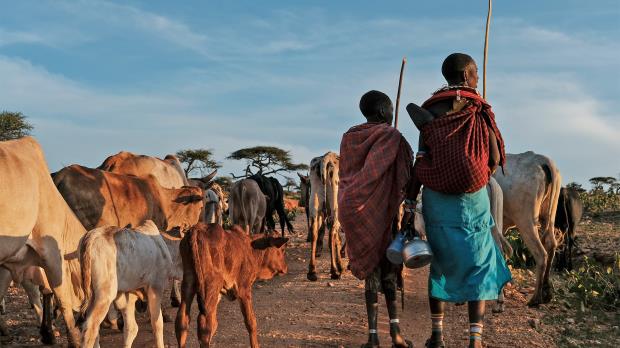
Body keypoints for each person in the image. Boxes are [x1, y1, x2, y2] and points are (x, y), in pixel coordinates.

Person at [405, 53, 512, 348]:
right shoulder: (479, 110)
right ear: (465, 75)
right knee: (480, 262)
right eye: (475, 72)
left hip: (437, 199)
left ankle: (437, 337)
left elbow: (421, 159)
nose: (477, 77)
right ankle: (475, 340)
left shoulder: (429, 111)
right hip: (473, 199)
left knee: (440, 263)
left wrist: (410, 199)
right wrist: (477, 176)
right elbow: (493, 156)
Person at [338, 90, 414, 348]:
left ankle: (372, 337)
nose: (393, 114)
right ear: (383, 112)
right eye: (391, 109)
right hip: (382, 212)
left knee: (370, 271)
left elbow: (349, 172)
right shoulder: (390, 136)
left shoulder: (349, 137)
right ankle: (396, 335)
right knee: (389, 271)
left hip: (352, 209)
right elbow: (406, 171)